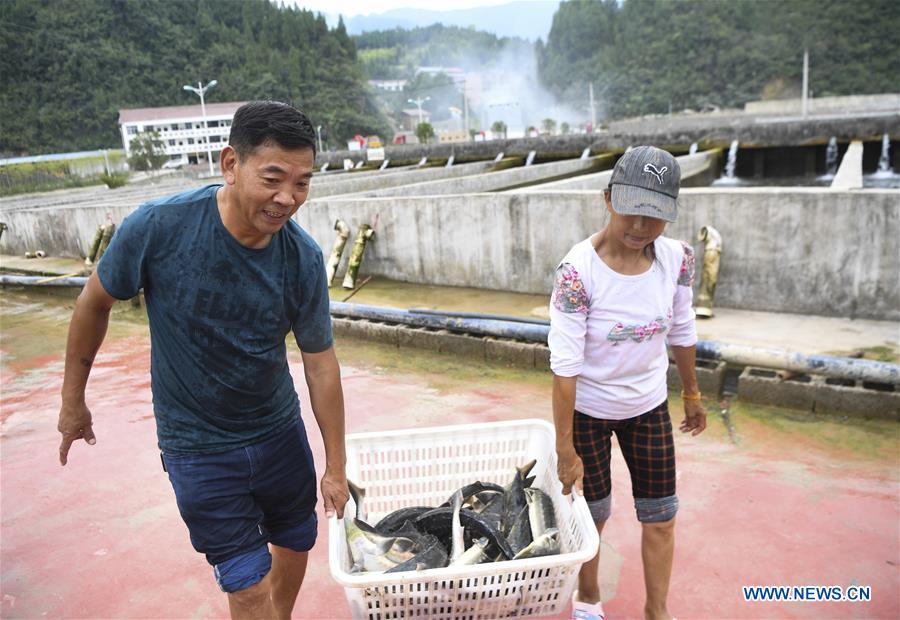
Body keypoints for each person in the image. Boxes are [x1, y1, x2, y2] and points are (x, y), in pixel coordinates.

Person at [56, 100, 349, 619]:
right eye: (274, 178)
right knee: (246, 585)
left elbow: (320, 363)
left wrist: (335, 465)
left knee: (297, 541)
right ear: (231, 164)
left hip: (279, 433)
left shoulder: (301, 258)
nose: (288, 198)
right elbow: (93, 304)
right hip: (199, 449)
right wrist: (72, 403)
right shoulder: (159, 228)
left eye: (302, 183)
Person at [549, 146, 707, 620]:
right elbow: (565, 365)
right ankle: (590, 601)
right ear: (608, 198)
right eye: (632, 211)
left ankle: (657, 611)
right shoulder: (578, 271)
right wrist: (564, 446)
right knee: (592, 516)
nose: (640, 227)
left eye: (655, 216)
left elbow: (682, 328)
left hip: (649, 407)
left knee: (660, 517)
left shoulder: (677, 259)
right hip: (589, 413)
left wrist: (692, 392)